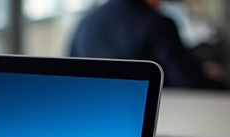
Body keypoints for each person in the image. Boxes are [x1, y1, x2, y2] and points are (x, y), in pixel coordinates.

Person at [68, 0, 226, 89]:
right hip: (153, 120)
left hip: (93, 116)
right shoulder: (158, 23)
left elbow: (69, 73)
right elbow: (187, 82)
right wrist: (217, 82)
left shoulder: (85, 21)